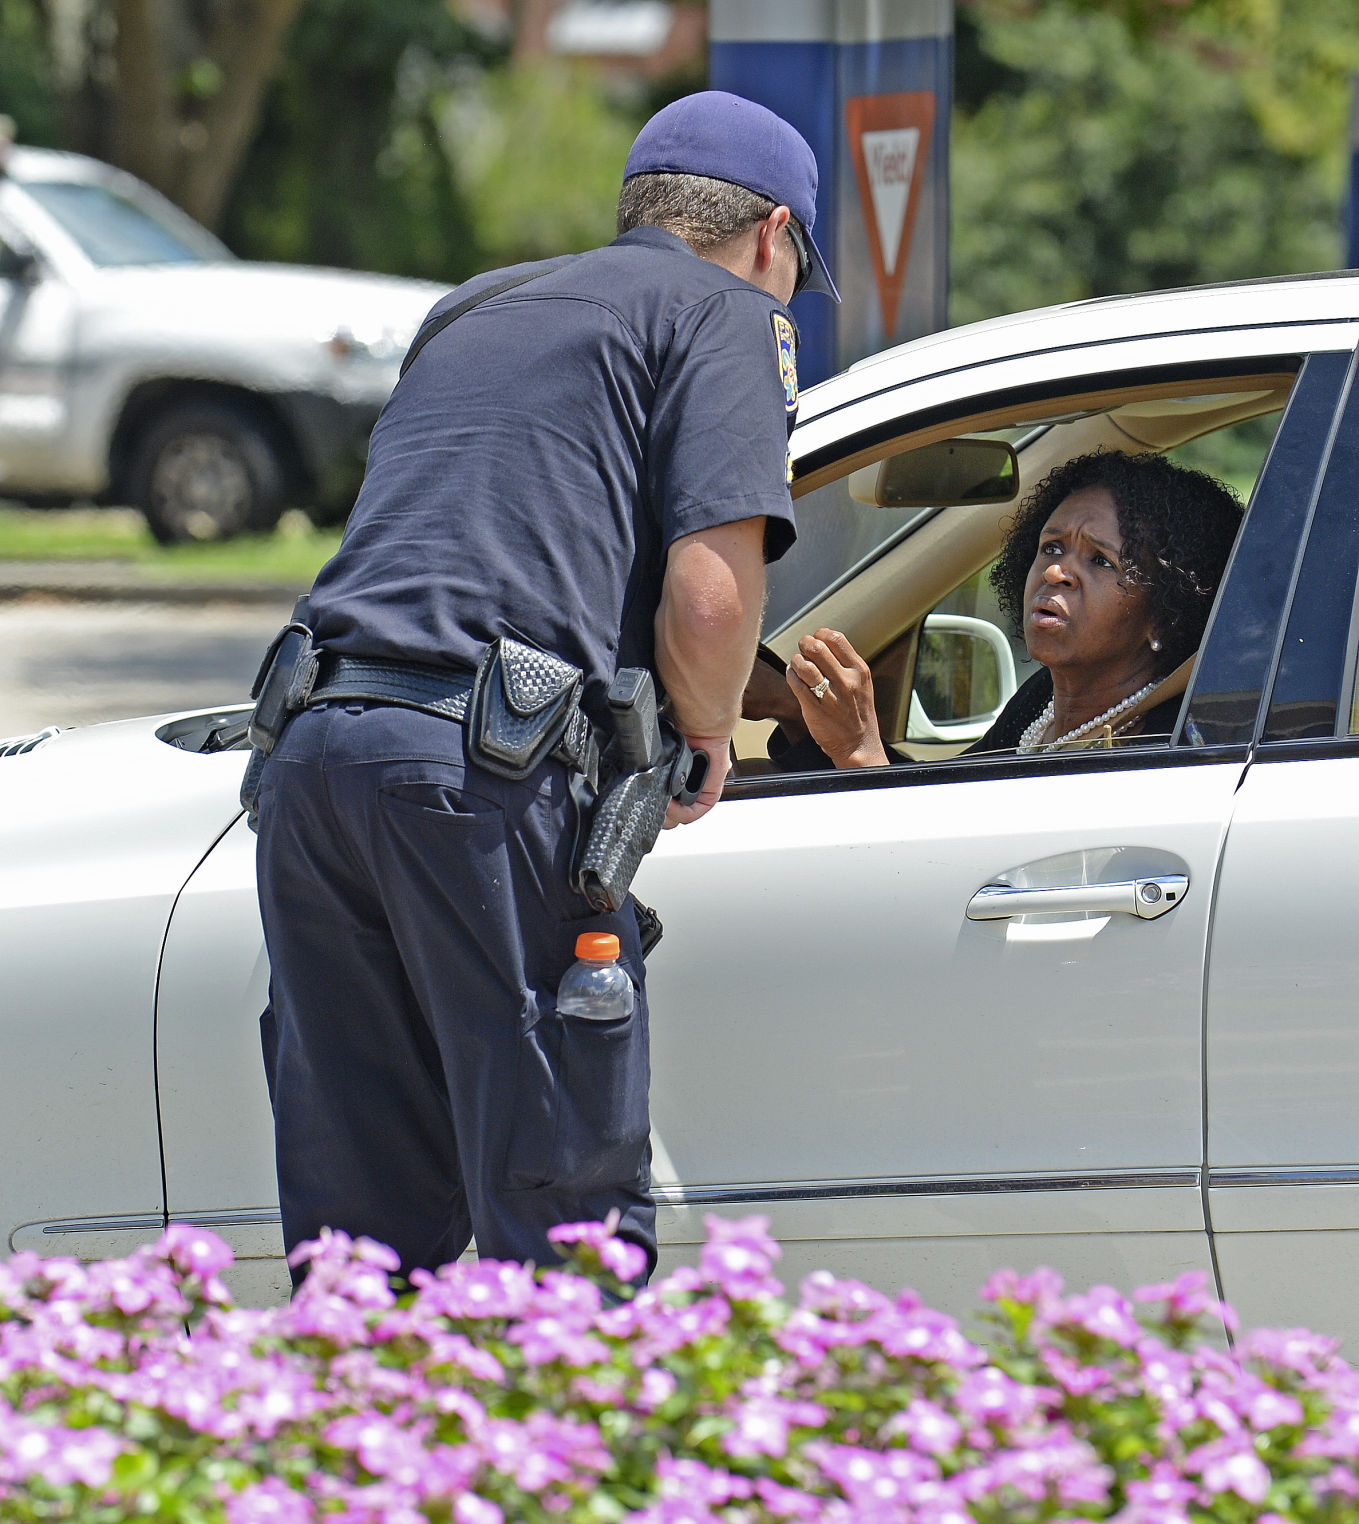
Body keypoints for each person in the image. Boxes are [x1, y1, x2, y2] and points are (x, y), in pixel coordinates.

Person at [253, 91, 840, 1286]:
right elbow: (711, 596)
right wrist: (708, 730)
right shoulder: (726, 314)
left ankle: (345, 1461)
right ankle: (572, 1466)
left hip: (311, 756)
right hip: (482, 783)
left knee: (359, 1241)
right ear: (773, 235)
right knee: (561, 1220)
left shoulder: (477, 304)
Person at [763, 450, 1242, 768]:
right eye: (1052, 548)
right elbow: (945, 803)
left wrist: (860, 752)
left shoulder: (1160, 744)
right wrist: (794, 707)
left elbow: (956, 872)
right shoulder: (1043, 703)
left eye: (1100, 560)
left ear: (1164, 613)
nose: (1056, 573)